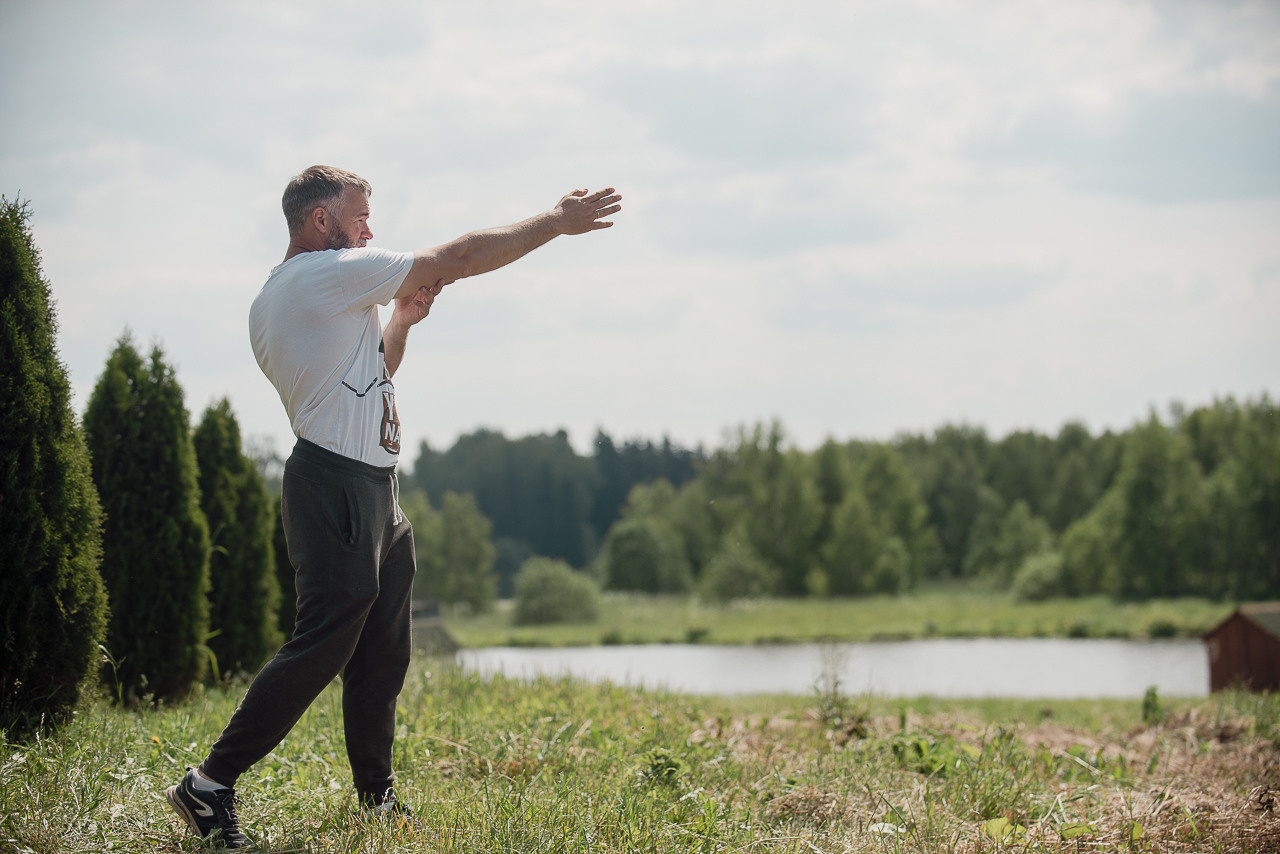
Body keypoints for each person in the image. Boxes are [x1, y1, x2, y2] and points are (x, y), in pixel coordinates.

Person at [166, 165, 621, 848]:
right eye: (359, 217)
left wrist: (402, 321)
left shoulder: (315, 293)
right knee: (322, 645)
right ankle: (209, 784)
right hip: (336, 484)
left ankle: (375, 799)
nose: (369, 232)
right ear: (321, 221)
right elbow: (458, 257)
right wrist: (555, 222)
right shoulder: (322, 276)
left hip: (374, 490)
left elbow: (373, 377)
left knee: (383, 654)